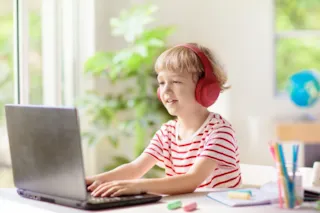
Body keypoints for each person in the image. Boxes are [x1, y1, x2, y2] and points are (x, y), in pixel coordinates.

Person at [86, 43, 241, 197]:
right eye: (161, 82)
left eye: (176, 81)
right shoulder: (167, 132)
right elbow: (135, 168)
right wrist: (91, 181)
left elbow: (191, 180)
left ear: (205, 89)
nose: (165, 90)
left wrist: (137, 186)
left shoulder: (220, 132)